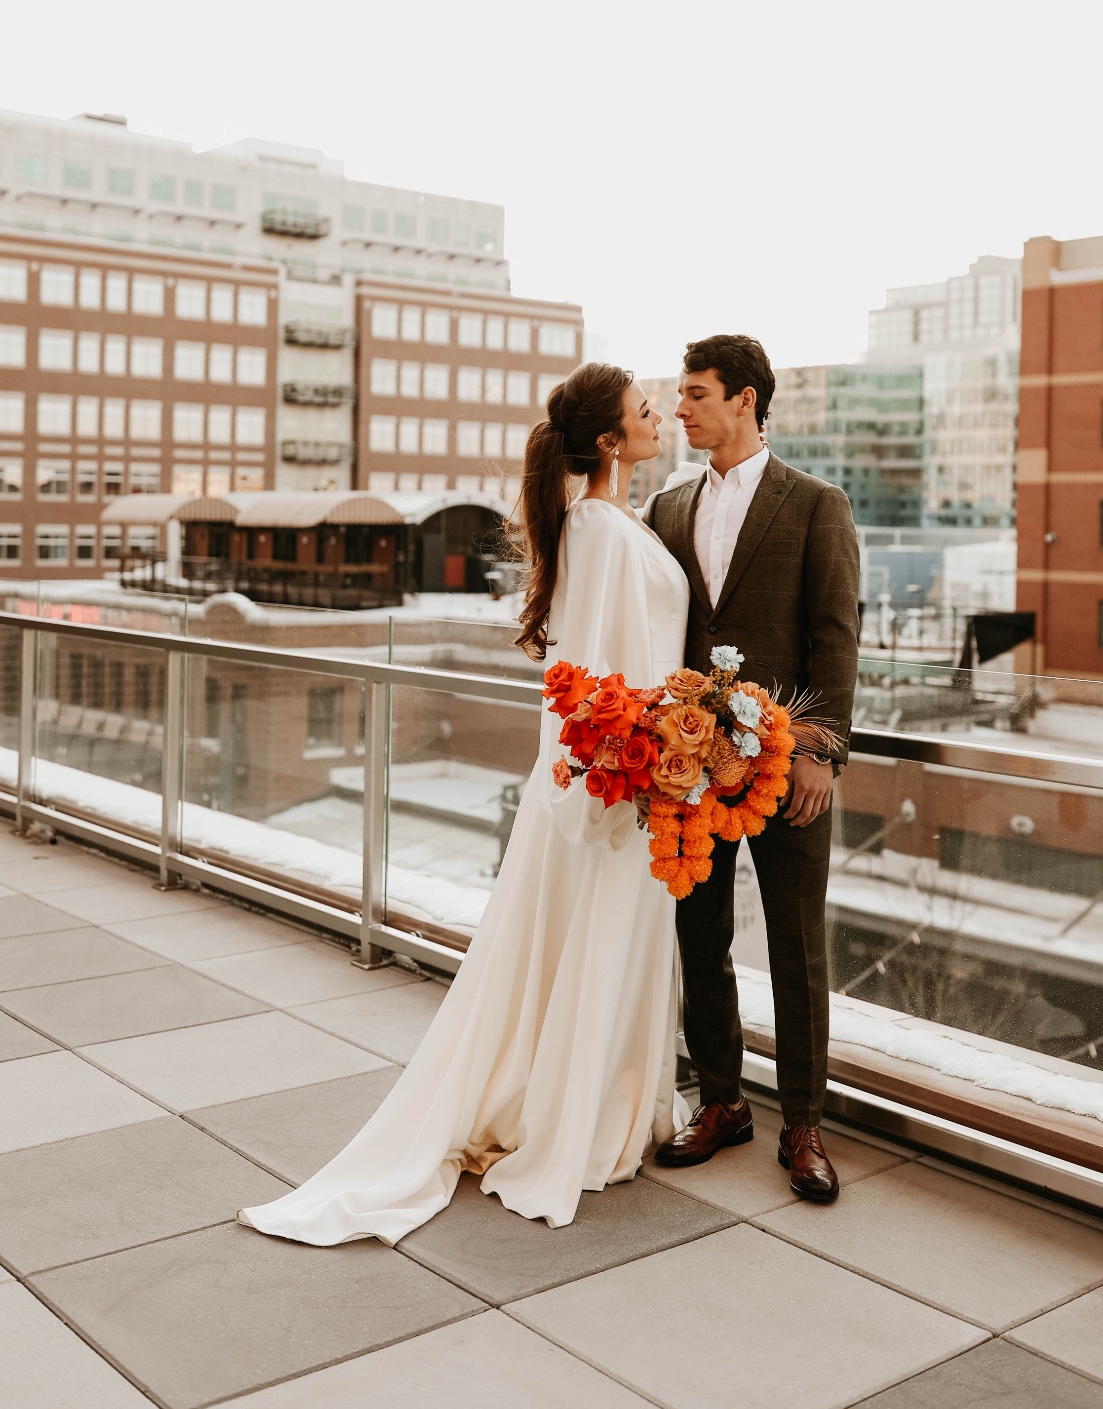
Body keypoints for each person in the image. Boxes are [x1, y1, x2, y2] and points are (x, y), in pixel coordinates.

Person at [238, 362, 688, 1245]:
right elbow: (589, 674)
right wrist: (619, 774)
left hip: (647, 776)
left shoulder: (616, 521)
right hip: (616, 784)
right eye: (644, 411)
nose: (659, 419)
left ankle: (607, 1108)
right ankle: (573, 1120)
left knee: (610, 945)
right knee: (589, 942)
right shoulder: (597, 529)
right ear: (609, 440)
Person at [645, 334, 859, 1201]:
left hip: (789, 768)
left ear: (745, 400)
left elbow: (835, 637)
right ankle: (723, 1100)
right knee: (699, 939)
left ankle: (803, 1123)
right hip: (691, 771)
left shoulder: (816, 504)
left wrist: (821, 753)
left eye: (695, 394)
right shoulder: (664, 509)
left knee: (798, 946)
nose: (681, 408)